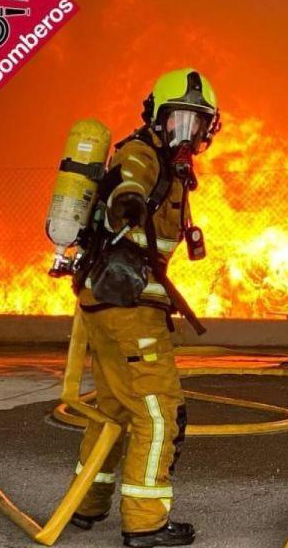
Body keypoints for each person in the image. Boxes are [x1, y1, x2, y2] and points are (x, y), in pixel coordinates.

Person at [68, 68, 220, 547]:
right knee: (158, 412)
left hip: (109, 303)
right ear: (155, 117)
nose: (184, 134)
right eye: (176, 121)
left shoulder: (175, 172)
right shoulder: (141, 154)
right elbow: (127, 180)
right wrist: (129, 199)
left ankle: (86, 504)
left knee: (113, 408)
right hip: (129, 307)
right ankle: (145, 521)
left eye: (194, 125)